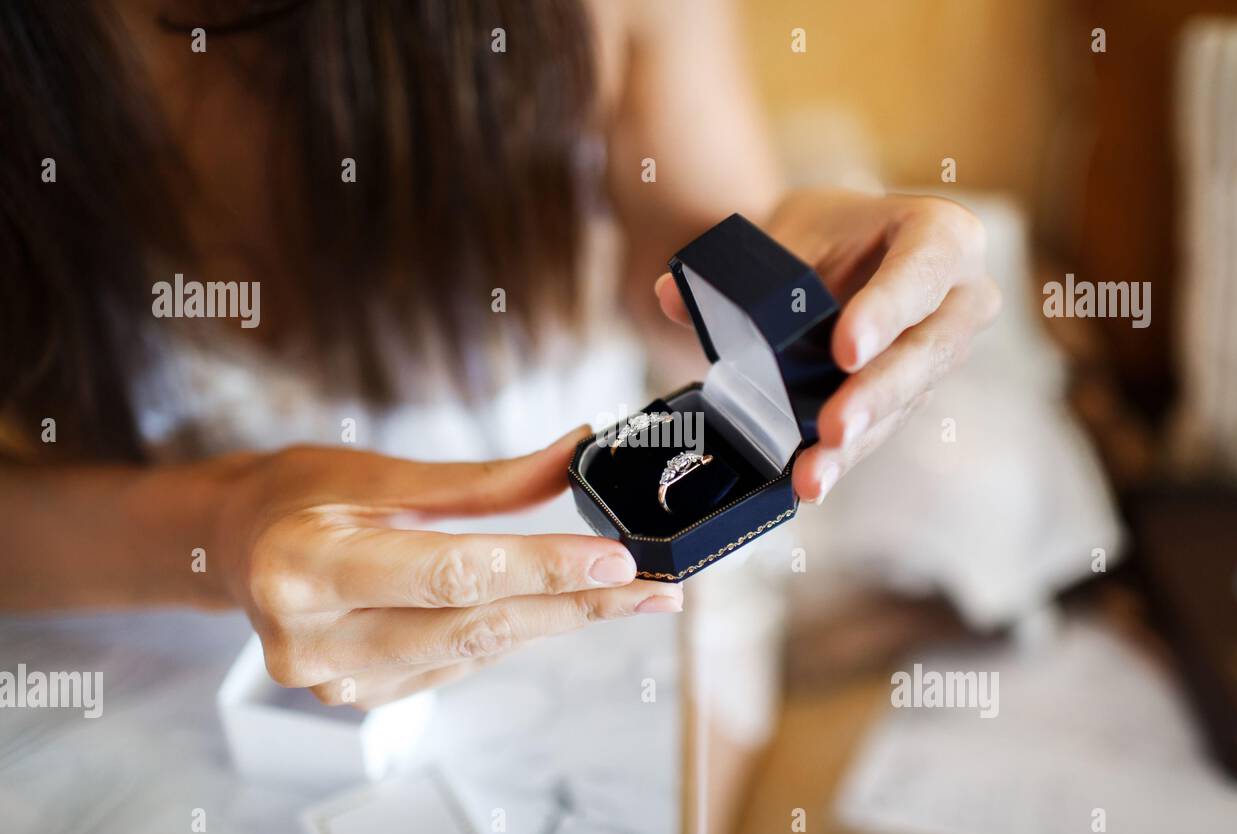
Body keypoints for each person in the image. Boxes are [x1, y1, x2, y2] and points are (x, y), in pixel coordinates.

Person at [0, 0, 998, 709]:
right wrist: (219, 525)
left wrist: (795, 279)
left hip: (605, 620)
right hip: (132, 626)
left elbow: (677, 265)